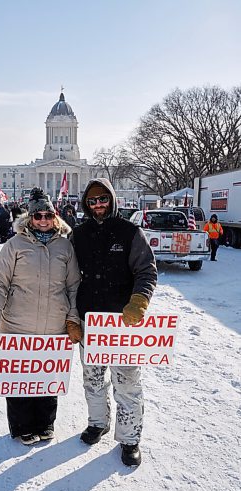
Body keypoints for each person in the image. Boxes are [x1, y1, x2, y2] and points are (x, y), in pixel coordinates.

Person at [0, 187, 82, 445]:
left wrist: (72, 318)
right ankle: (22, 426)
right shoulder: (15, 245)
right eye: (38, 216)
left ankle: (45, 423)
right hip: (17, 324)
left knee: (48, 376)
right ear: (30, 219)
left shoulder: (65, 247)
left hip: (54, 325)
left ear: (55, 217)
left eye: (48, 215)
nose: (44, 220)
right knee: (19, 378)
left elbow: (73, 286)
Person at [71, 178, 157, 467]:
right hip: (90, 322)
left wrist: (139, 300)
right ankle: (98, 422)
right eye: (93, 201)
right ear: (86, 203)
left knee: (127, 384)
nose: (98, 205)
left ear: (112, 199)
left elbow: (146, 270)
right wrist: (73, 316)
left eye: (103, 199)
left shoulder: (130, 232)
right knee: (93, 380)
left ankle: (130, 438)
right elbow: (69, 278)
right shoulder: (78, 235)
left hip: (123, 324)